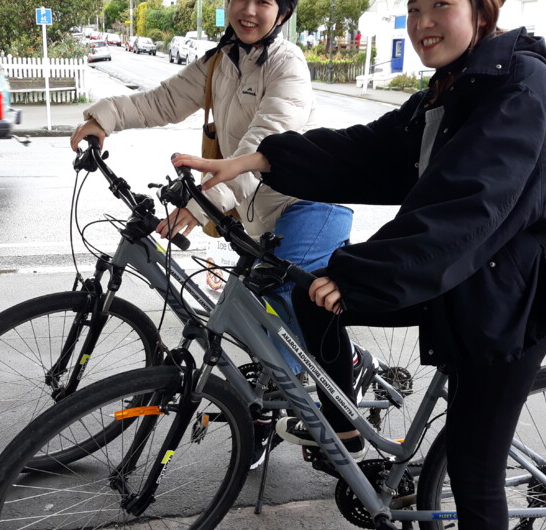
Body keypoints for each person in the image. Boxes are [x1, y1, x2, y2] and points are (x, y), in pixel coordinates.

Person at [172, 0, 546, 525]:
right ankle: (342, 426)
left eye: (441, 6)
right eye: (414, 9)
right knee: (310, 292)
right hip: (460, 270)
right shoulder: (453, 84)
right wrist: (258, 160)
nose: (424, 22)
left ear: (481, 10)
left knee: (475, 473)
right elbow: (368, 150)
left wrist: (363, 273)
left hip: (510, 296)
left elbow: (469, 204)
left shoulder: (519, 83)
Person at [69, 0, 353, 470]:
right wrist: (105, 119)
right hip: (258, 216)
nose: (248, 10)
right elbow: (160, 101)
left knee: (277, 303)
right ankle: (268, 404)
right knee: (245, 317)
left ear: (281, 14)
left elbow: (263, 143)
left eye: (265, 1)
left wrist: (207, 202)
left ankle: (333, 393)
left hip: (308, 205)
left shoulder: (288, 66)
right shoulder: (219, 62)